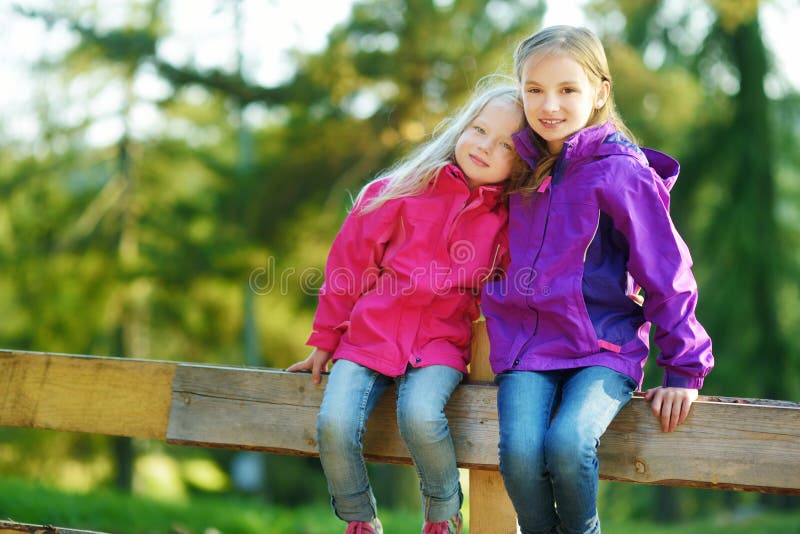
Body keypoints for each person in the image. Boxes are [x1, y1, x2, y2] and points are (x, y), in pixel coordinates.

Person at [480, 26, 715, 534]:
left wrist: (684, 370)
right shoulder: (517, 170)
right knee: (519, 455)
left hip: (601, 348)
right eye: (534, 90)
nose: (549, 105)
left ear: (600, 91)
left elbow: (667, 273)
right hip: (526, 349)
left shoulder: (621, 172)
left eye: (568, 89)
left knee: (568, 445)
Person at [287, 82, 528, 534]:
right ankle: (360, 520)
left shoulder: (509, 223)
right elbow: (347, 268)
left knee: (419, 415)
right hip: (368, 337)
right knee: (334, 424)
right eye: (479, 129)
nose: (484, 146)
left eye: (505, 146)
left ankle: (443, 515)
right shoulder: (399, 191)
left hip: (441, 344)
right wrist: (325, 339)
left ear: (522, 164)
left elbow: (508, 293)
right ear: (462, 125)